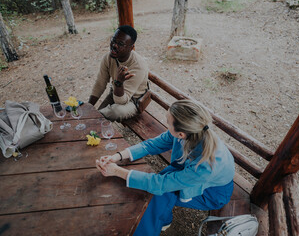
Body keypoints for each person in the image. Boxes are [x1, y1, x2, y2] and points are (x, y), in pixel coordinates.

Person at [96, 99, 235, 236]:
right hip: (191, 175)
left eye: (168, 122)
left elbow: (160, 184)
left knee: (160, 193)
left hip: (212, 193)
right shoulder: (192, 131)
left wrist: (117, 171)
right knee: (159, 187)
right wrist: (118, 156)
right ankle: (164, 219)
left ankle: (147, 229)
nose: (166, 124)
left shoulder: (206, 165)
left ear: (181, 134)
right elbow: (152, 145)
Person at [88, 25, 149, 122]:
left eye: (120, 44)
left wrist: (119, 82)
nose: (114, 45)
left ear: (131, 48)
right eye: (113, 40)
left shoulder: (138, 66)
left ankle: (95, 120)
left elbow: (121, 101)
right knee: (96, 115)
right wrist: (88, 107)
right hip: (116, 93)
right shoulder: (108, 58)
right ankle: (94, 120)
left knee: (113, 112)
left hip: (134, 101)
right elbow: (100, 84)